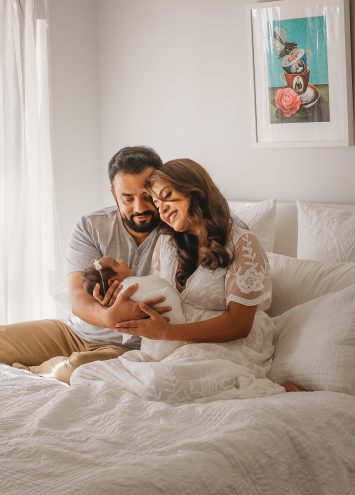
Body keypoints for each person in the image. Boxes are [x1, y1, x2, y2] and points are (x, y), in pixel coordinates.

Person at [0, 146, 171, 382]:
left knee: (72, 369)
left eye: (147, 196)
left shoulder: (176, 233)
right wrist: (108, 317)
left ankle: (20, 374)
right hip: (73, 332)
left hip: (126, 346)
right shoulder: (92, 226)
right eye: (127, 198)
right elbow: (77, 298)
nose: (139, 208)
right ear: (113, 194)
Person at [70, 158, 290, 402]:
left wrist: (169, 332)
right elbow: (160, 292)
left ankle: (280, 390)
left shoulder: (243, 244)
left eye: (166, 196)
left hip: (227, 345)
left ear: (195, 192)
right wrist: (123, 294)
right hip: (172, 346)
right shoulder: (167, 241)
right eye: (156, 201)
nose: (160, 209)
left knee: (159, 383)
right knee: (84, 375)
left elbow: (239, 324)